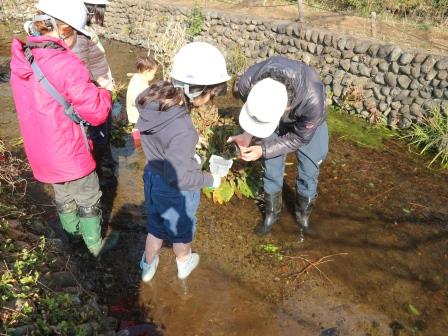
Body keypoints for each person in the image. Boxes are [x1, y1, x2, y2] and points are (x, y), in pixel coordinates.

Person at [10, 0, 113, 256]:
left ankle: (73, 239)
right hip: (69, 148)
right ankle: (95, 246)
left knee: (64, 195)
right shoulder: (66, 64)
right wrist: (106, 92)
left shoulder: (22, 58)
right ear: (65, 31)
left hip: (41, 151)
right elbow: (96, 112)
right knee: (88, 195)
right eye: (76, 33)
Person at [137, 42, 231, 281]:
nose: (210, 99)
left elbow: (166, 136)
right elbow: (181, 177)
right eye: (210, 93)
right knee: (181, 232)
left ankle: (147, 266)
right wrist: (212, 179)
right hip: (174, 189)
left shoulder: (156, 99)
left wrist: (189, 141)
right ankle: (184, 262)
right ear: (197, 90)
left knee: (155, 228)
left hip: (152, 177)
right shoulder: (182, 130)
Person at [229, 56, 329, 243]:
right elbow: (254, 113)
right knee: (271, 167)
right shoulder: (247, 83)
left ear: (287, 108)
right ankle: (272, 214)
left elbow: (299, 138)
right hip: (272, 118)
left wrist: (262, 149)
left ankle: (302, 216)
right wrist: (247, 134)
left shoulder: (313, 101)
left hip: (307, 126)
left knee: (309, 169)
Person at [72, 0, 117, 186]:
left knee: (103, 136)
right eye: (101, 9)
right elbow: (80, 74)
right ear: (90, 9)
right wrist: (101, 93)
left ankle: (104, 170)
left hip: (101, 92)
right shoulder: (79, 35)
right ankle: (99, 175)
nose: (102, 13)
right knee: (98, 137)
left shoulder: (85, 29)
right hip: (95, 96)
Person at [126, 56, 158, 142]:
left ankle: (139, 149)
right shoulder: (138, 85)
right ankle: (139, 151)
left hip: (138, 116)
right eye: (153, 73)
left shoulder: (138, 78)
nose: (154, 76)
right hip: (137, 117)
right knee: (138, 136)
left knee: (138, 134)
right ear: (147, 72)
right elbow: (134, 100)